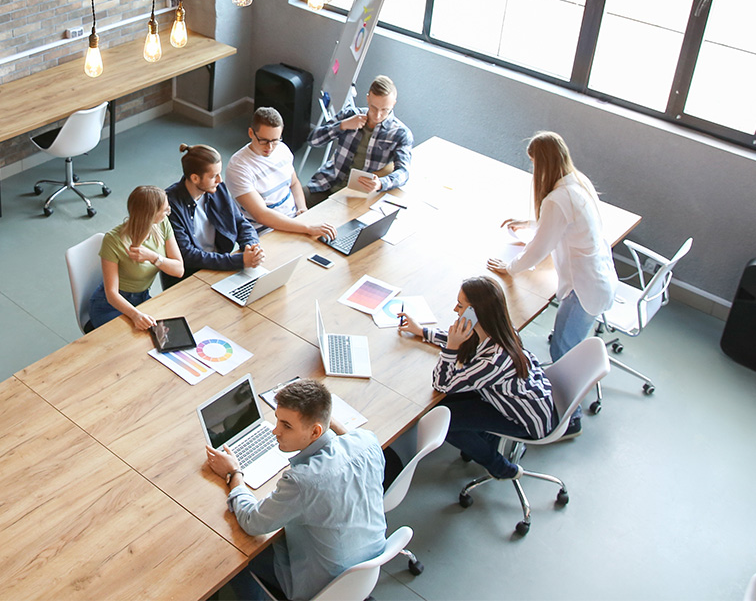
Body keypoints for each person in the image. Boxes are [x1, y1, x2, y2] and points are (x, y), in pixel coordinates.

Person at [205, 379, 387, 601]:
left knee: (233, 560)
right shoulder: (368, 441)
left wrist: (234, 473)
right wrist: (319, 415)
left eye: (287, 425)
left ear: (315, 431)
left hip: (322, 585)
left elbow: (252, 522)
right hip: (366, 565)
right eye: (277, 420)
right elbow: (347, 438)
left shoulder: (303, 481)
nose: (275, 431)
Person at [487, 131, 618, 437]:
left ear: (543, 165)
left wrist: (510, 268)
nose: (534, 172)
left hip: (584, 290)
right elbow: (560, 223)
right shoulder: (576, 181)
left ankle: (567, 421)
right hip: (598, 279)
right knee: (564, 344)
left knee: (563, 352)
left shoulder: (557, 198)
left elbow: (537, 251)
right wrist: (531, 221)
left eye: (534, 165)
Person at [398, 276, 558, 479]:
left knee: (444, 422)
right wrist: (422, 331)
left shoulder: (493, 361)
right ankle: (482, 439)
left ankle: (501, 468)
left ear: (475, 313)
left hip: (525, 419)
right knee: (444, 405)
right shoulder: (497, 329)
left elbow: (441, 383)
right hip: (512, 397)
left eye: (460, 305)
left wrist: (451, 349)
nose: (455, 310)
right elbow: (465, 342)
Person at [226, 107, 337, 241]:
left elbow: (294, 183)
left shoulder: (282, 150)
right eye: (264, 140)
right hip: (265, 232)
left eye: (275, 140)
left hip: (294, 220)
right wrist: (306, 227)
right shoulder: (238, 167)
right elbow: (262, 215)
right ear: (251, 133)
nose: (270, 147)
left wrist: (302, 209)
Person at [163, 143, 264, 289]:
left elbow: (240, 222)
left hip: (220, 266)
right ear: (195, 178)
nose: (220, 180)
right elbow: (188, 255)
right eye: (213, 176)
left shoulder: (217, 189)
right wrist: (239, 261)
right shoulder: (169, 204)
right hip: (190, 277)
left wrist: (252, 247)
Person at [305, 75, 413, 207]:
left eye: (385, 110)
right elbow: (313, 140)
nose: (378, 115)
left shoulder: (400, 134)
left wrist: (380, 183)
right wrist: (342, 125)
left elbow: (404, 172)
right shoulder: (350, 115)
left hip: (356, 195)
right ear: (368, 98)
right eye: (373, 108)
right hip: (326, 182)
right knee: (292, 207)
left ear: (393, 104)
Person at [88, 185, 183, 331]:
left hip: (142, 298)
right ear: (150, 214)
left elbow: (178, 270)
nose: (168, 213)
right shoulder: (113, 240)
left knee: (163, 334)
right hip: (111, 305)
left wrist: (153, 257)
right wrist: (136, 315)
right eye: (165, 210)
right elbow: (111, 294)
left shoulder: (162, 224)